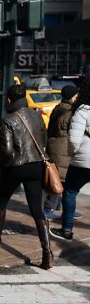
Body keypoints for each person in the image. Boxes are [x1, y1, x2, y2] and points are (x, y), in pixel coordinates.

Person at [0, 85, 53, 270]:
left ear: (9, 100)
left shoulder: (8, 120)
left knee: (1, 202)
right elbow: (44, 141)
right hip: (36, 166)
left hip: (16, 167)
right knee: (36, 209)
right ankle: (46, 251)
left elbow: (7, 150)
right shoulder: (37, 116)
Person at [50, 78, 90, 241]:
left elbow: (73, 140)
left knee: (71, 191)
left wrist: (74, 154)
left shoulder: (83, 111)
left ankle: (66, 230)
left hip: (84, 160)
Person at [44, 85, 78, 220]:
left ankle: (60, 208)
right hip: (63, 149)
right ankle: (48, 208)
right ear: (72, 96)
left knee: (59, 178)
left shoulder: (57, 108)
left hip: (55, 147)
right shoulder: (71, 111)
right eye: (76, 95)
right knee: (60, 181)